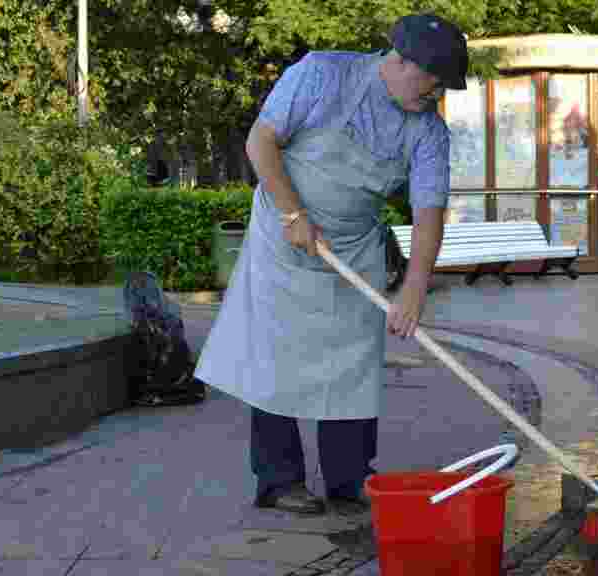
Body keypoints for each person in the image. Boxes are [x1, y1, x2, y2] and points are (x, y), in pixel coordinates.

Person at [193, 13, 468, 516]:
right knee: (275, 358)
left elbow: (429, 212)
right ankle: (279, 480)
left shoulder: (429, 131)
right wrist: (293, 213)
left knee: (352, 364)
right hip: (285, 233)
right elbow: (261, 142)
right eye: (432, 80)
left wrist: (414, 287)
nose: (436, 94)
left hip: (355, 247)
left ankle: (349, 478)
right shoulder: (321, 74)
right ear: (401, 60)